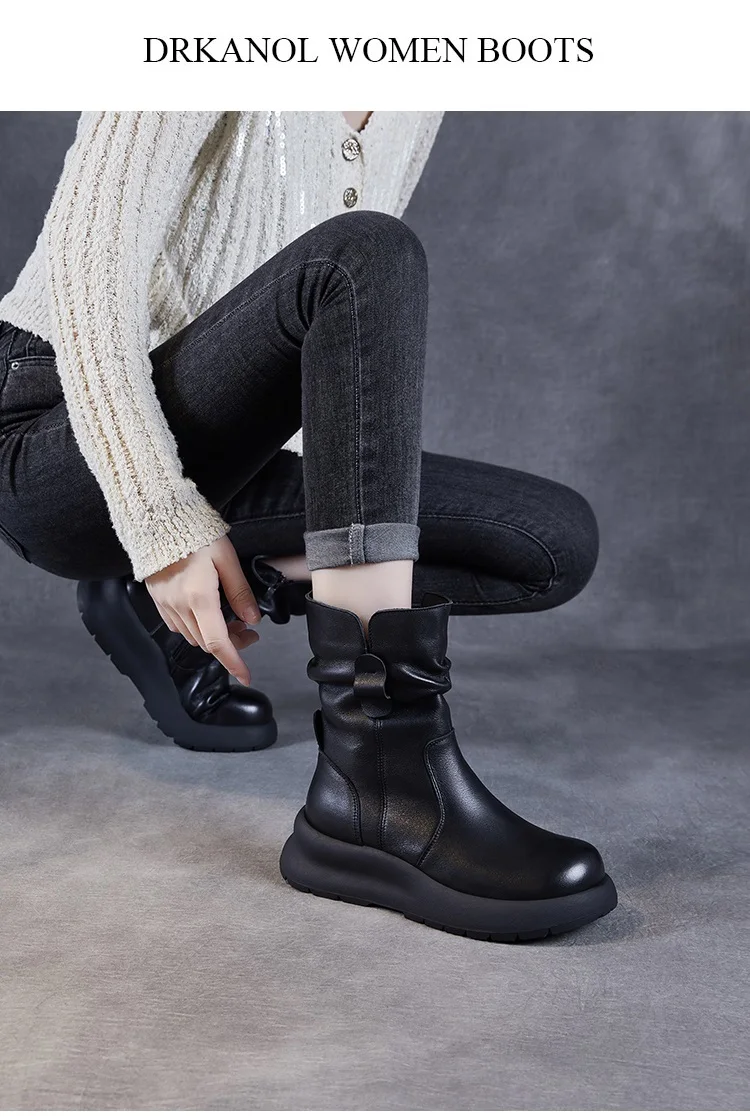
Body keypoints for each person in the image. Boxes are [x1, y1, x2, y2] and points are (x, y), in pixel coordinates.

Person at [0, 110, 617, 941]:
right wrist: (162, 522)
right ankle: (378, 772)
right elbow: (88, 279)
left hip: (219, 453)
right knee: (365, 252)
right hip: (56, 426)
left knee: (549, 542)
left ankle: (184, 593)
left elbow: (322, 352)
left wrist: (287, 508)